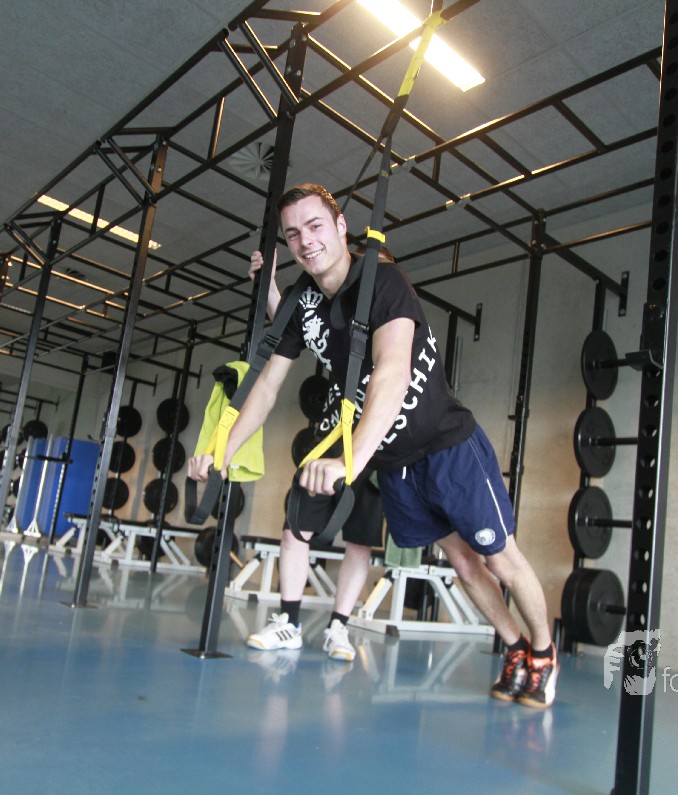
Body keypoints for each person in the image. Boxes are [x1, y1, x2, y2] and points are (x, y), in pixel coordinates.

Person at [190, 185, 557, 708]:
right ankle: (515, 647)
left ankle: (543, 653)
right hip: (397, 464)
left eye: (315, 225)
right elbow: (267, 386)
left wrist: (349, 461)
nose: (305, 240)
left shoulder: (383, 281)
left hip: (448, 445)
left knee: (499, 558)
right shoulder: (302, 303)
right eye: (293, 234)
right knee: (463, 565)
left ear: (341, 227)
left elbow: (391, 373)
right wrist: (221, 453)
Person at [235, 247, 390, 663]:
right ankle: (289, 622)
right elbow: (297, 323)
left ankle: (339, 627)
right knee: (295, 530)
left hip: (376, 446)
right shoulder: (343, 317)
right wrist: (268, 285)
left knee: (359, 543)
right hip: (329, 438)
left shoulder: (395, 322)